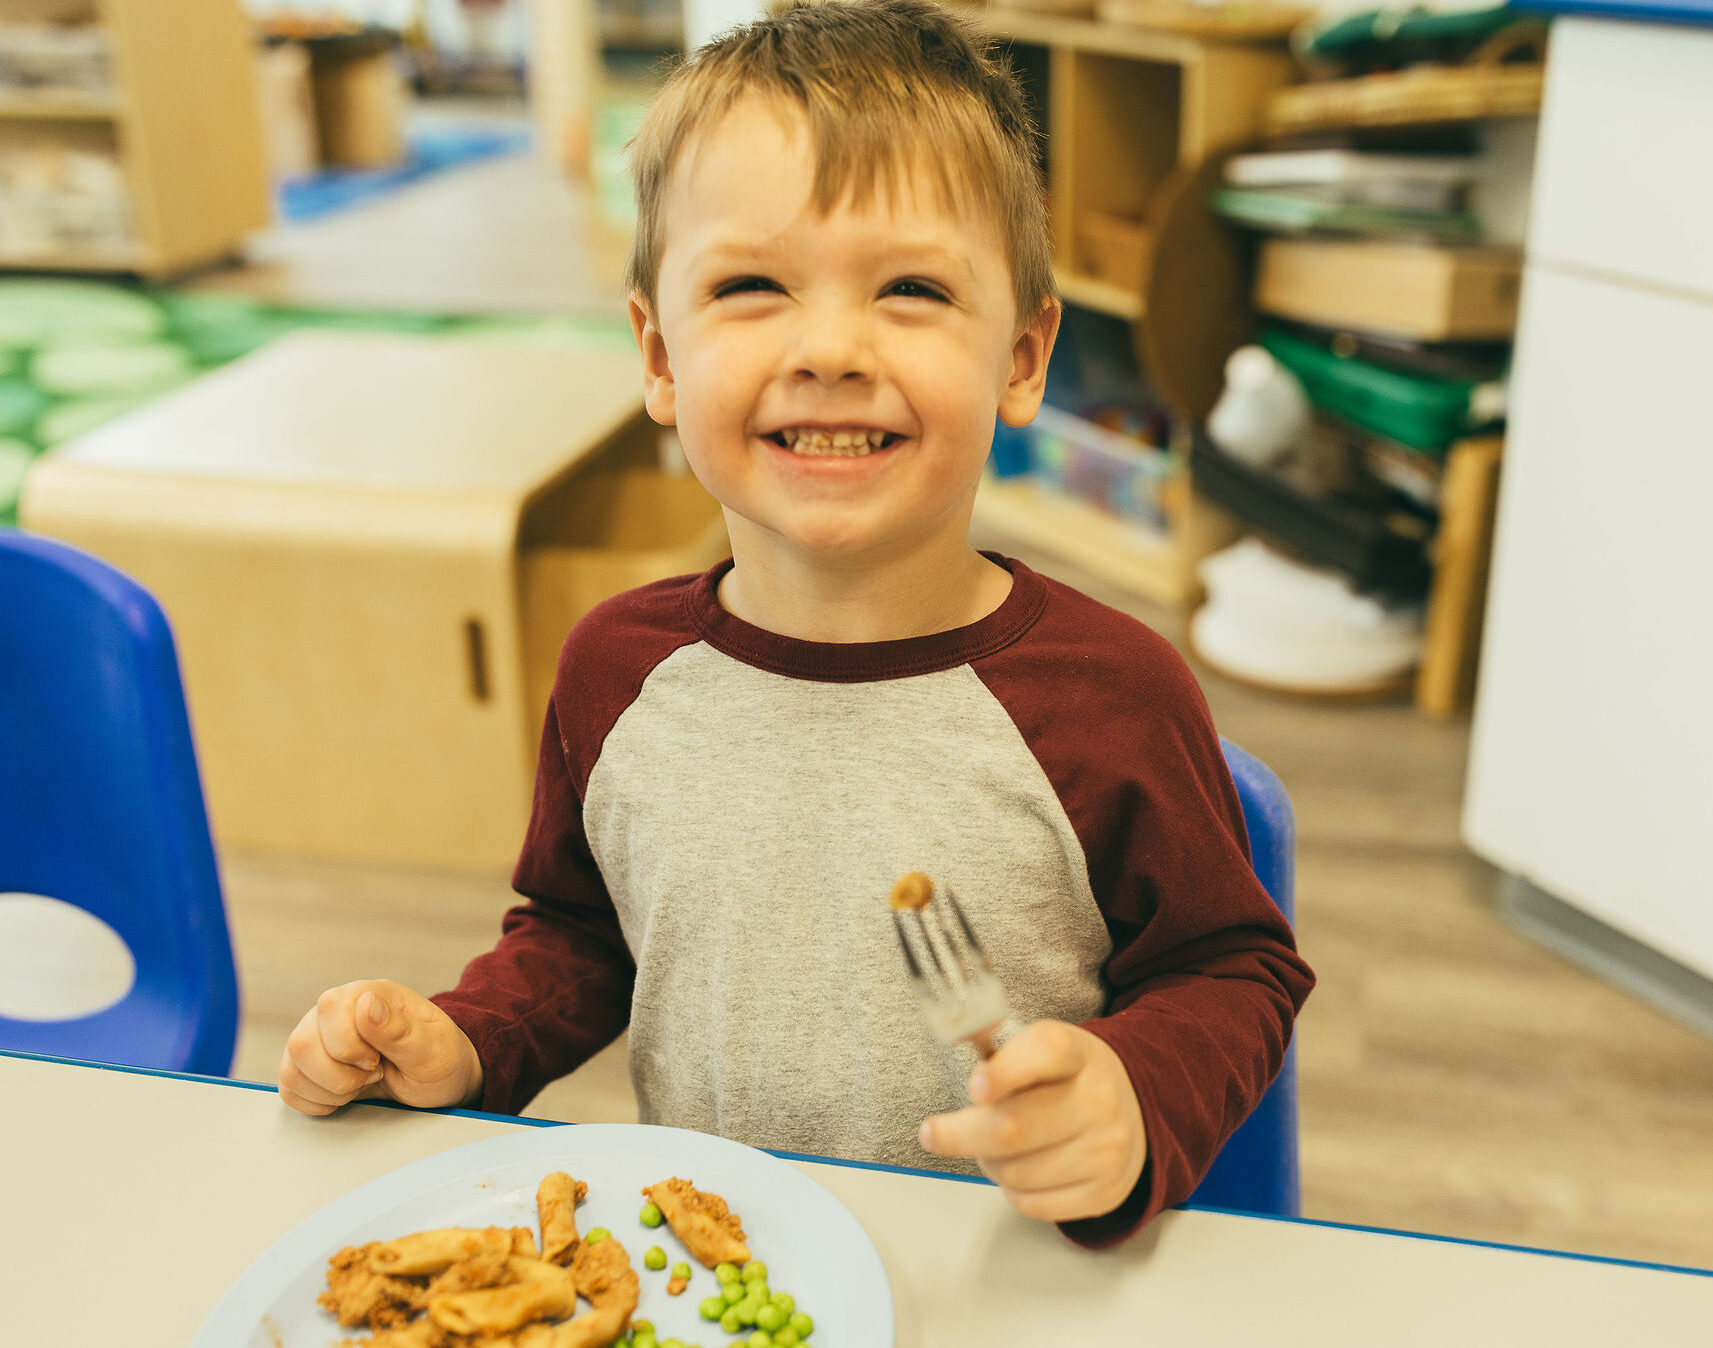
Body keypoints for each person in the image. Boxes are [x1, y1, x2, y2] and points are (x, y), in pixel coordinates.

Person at [278, 0, 1314, 1248]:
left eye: (913, 288)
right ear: (660, 358)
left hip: (1007, 1277)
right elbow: (583, 932)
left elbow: (1233, 969)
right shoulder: (616, 672)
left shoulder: (1114, 695)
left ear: (1022, 359)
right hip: (729, 1273)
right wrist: (468, 1038)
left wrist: (1131, 1095)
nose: (829, 348)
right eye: (752, 286)